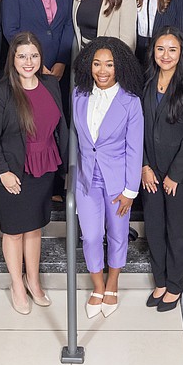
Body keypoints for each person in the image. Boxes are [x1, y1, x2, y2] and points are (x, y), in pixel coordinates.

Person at [0, 32, 68, 314]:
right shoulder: (1, 90)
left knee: (35, 228)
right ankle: (17, 284)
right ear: (13, 59)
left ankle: (33, 279)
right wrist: (2, 172)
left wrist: (67, 168)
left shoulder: (51, 84)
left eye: (33, 56)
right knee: (15, 231)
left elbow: (61, 128)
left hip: (44, 167)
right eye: (22, 56)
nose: (28, 62)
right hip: (12, 171)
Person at [71, 38, 144, 318]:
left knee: (117, 234)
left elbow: (135, 148)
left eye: (109, 65)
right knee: (90, 236)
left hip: (118, 182)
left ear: (119, 67)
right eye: (97, 63)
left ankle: (113, 282)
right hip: (87, 180)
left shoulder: (131, 102)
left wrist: (130, 191)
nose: (102, 70)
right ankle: (97, 286)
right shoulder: (79, 95)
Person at [141, 29, 183, 311]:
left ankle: (175, 284)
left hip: (181, 175)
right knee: (154, 228)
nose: (166, 55)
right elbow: (136, 129)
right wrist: (144, 165)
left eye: (172, 50)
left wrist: (174, 175)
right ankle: (161, 280)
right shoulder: (147, 82)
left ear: (181, 54)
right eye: (160, 49)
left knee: (177, 231)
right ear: (153, 52)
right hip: (150, 172)